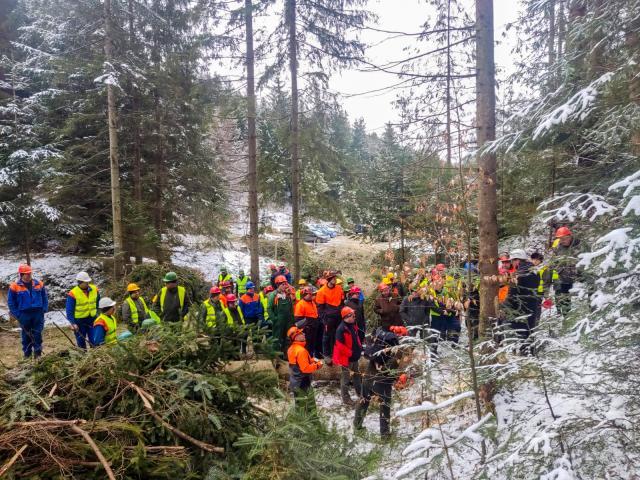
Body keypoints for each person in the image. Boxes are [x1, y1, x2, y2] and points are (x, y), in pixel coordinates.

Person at [355, 325, 407, 438]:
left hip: (368, 377)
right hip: (381, 383)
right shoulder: (398, 351)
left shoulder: (379, 343)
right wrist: (396, 378)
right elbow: (387, 370)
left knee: (363, 400)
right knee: (385, 406)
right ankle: (385, 434)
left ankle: (357, 425)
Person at [503, 249, 539, 354]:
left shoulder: (519, 274)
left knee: (518, 330)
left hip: (520, 307)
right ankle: (530, 354)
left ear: (517, 260)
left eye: (513, 261)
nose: (512, 263)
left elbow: (512, 293)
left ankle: (523, 355)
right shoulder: (535, 271)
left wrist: (503, 305)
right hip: (532, 305)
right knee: (529, 331)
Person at [8, 264, 48, 358]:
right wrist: (17, 314)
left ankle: (38, 355)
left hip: (38, 313)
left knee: (37, 334)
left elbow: (44, 297)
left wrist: (44, 309)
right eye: (26, 274)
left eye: (30, 273)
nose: (29, 275)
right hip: (24, 314)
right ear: (21, 274)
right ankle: (27, 356)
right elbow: (11, 302)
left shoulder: (39, 284)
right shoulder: (14, 286)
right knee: (26, 336)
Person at [287, 326, 323, 414]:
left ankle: (300, 422)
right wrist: (317, 365)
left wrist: (311, 360)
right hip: (303, 383)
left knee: (299, 405)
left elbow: (298, 363)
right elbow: (305, 369)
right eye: (300, 333)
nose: (303, 334)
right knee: (309, 405)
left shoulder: (292, 348)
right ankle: (313, 422)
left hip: (295, 381)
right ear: (295, 337)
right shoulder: (301, 351)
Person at [333, 306, 363, 405]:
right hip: (347, 359)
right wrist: (350, 353)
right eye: (352, 315)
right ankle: (346, 398)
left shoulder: (352, 325)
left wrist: (359, 348)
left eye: (354, 315)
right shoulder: (341, 329)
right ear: (346, 317)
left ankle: (360, 393)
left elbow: (356, 338)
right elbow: (340, 346)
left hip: (354, 357)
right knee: (346, 379)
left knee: (357, 376)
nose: (354, 316)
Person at [549, 226, 581, 319]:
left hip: (579, 279)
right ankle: (565, 318)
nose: (562, 241)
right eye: (560, 239)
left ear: (570, 236)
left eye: (564, 238)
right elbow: (553, 263)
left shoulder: (580, 245)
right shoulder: (558, 248)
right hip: (563, 279)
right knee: (563, 300)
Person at [316, 271, 345, 364]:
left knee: (339, 335)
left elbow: (342, 302)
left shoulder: (339, 288)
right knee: (326, 336)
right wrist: (324, 319)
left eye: (335, 278)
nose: (335, 280)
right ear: (328, 280)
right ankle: (327, 355)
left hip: (338, 315)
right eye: (333, 278)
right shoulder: (321, 291)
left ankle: (337, 353)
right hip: (328, 317)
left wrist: (341, 311)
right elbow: (320, 308)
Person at [66, 271, 100, 348]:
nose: (88, 283)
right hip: (79, 322)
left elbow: (98, 303)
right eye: (86, 282)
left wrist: (99, 315)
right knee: (81, 341)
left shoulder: (95, 289)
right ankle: (83, 356)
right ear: (80, 282)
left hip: (92, 319)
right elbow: (69, 310)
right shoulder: (73, 293)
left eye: (88, 282)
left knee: (94, 340)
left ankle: (96, 356)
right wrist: (72, 323)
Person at [267, 275, 296, 356]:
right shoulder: (273, 295)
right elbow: (269, 308)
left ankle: (286, 355)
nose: (284, 286)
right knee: (276, 339)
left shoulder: (287, 294)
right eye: (282, 284)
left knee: (287, 339)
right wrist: (275, 319)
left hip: (288, 322)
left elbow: (291, 308)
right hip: (278, 322)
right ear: (277, 285)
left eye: (285, 284)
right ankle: (276, 357)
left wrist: (292, 320)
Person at [293, 286, 320, 356]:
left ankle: (310, 359)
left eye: (312, 294)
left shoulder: (312, 303)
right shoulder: (300, 304)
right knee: (306, 347)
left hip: (313, 329)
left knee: (312, 346)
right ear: (305, 294)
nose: (312, 296)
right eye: (310, 294)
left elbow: (315, 315)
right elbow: (298, 321)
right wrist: (306, 327)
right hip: (306, 330)